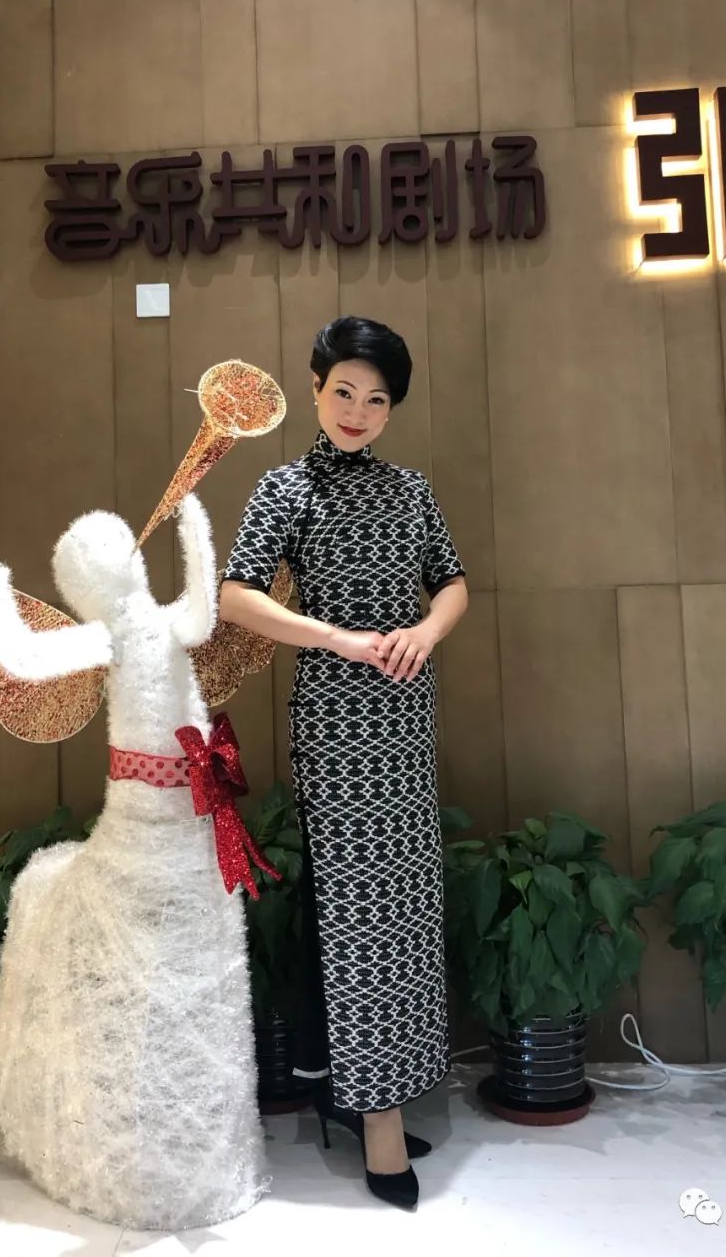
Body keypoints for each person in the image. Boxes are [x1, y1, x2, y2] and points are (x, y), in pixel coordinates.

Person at [219, 315, 469, 1211]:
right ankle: (379, 1123)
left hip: (405, 714)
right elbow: (234, 595)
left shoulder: (412, 490)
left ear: (392, 408)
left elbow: (453, 581)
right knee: (360, 913)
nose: (358, 411)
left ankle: (369, 1093)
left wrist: (425, 632)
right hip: (336, 720)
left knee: (407, 910)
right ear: (317, 389)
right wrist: (336, 637)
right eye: (344, 392)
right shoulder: (286, 487)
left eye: (377, 399)